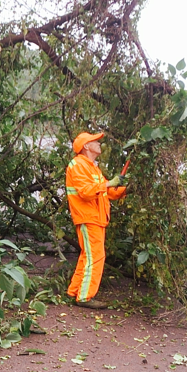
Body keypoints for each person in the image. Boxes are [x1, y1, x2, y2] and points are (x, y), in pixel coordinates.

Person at [65, 132, 127, 309]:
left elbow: (108, 192)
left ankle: (74, 291)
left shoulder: (91, 167)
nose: (99, 143)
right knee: (96, 256)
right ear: (86, 146)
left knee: (88, 256)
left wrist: (124, 188)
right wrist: (108, 183)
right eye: (95, 141)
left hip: (96, 218)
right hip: (88, 217)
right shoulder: (77, 165)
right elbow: (86, 192)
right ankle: (85, 297)